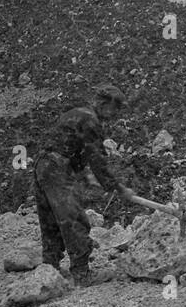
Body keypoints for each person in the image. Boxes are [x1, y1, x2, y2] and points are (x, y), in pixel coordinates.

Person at [34, 84, 135, 286]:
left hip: (42, 166)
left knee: (51, 219)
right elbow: (97, 159)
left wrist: (85, 173)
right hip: (57, 170)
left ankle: (50, 268)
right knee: (75, 219)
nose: (114, 116)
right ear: (105, 103)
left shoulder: (77, 113)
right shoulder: (90, 120)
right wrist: (117, 188)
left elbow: (71, 147)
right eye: (115, 109)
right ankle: (82, 274)